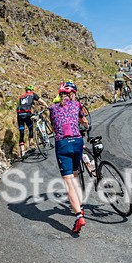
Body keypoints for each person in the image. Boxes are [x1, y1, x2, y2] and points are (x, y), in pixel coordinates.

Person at [49, 82, 90, 234]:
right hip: (77, 142)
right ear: (72, 94)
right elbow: (83, 121)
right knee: (76, 176)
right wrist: (85, 126)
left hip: (63, 144)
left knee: (68, 182)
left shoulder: (52, 108)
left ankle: (79, 216)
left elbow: (54, 127)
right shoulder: (77, 105)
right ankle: (82, 208)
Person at [17, 85, 42, 158]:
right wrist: (47, 106)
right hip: (27, 114)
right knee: (30, 127)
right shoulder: (32, 94)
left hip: (19, 114)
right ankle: (31, 145)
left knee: (21, 132)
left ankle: (23, 152)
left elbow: (24, 104)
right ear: (31, 90)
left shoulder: (21, 96)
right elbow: (41, 101)